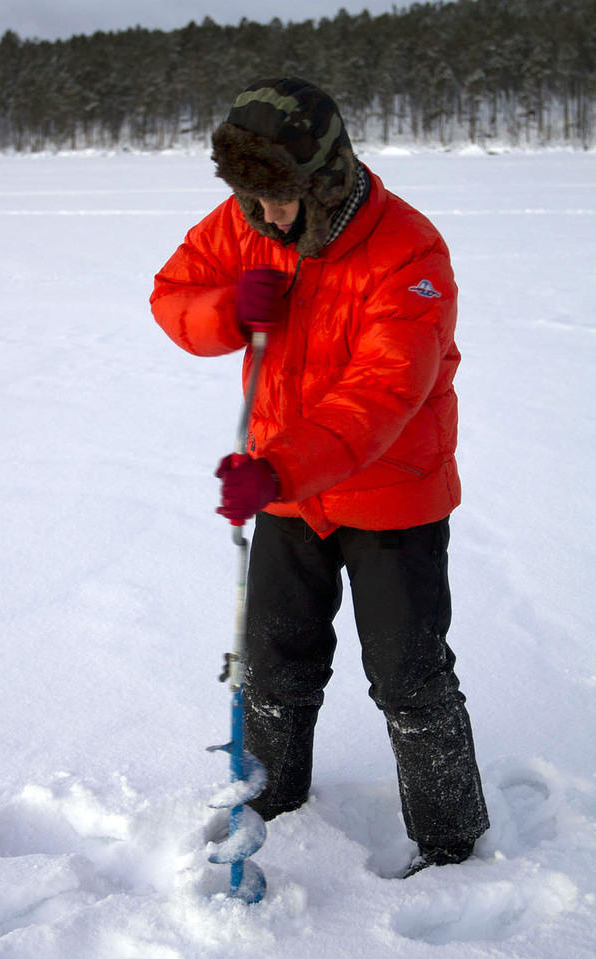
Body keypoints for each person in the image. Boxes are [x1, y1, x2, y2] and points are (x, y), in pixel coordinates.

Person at [151, 77, 489, 875]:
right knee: (275, 657)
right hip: (289, 491)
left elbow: (382, 395)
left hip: (390, 492)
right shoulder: (245, 221)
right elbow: (172, 297)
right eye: (252, 198)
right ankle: (273, 796)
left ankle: (449, 842)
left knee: (407, 672)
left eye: (282, 199)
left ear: (328, 176)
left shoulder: (407, 250)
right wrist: (229, 307)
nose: (265, 217)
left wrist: (279, 470)